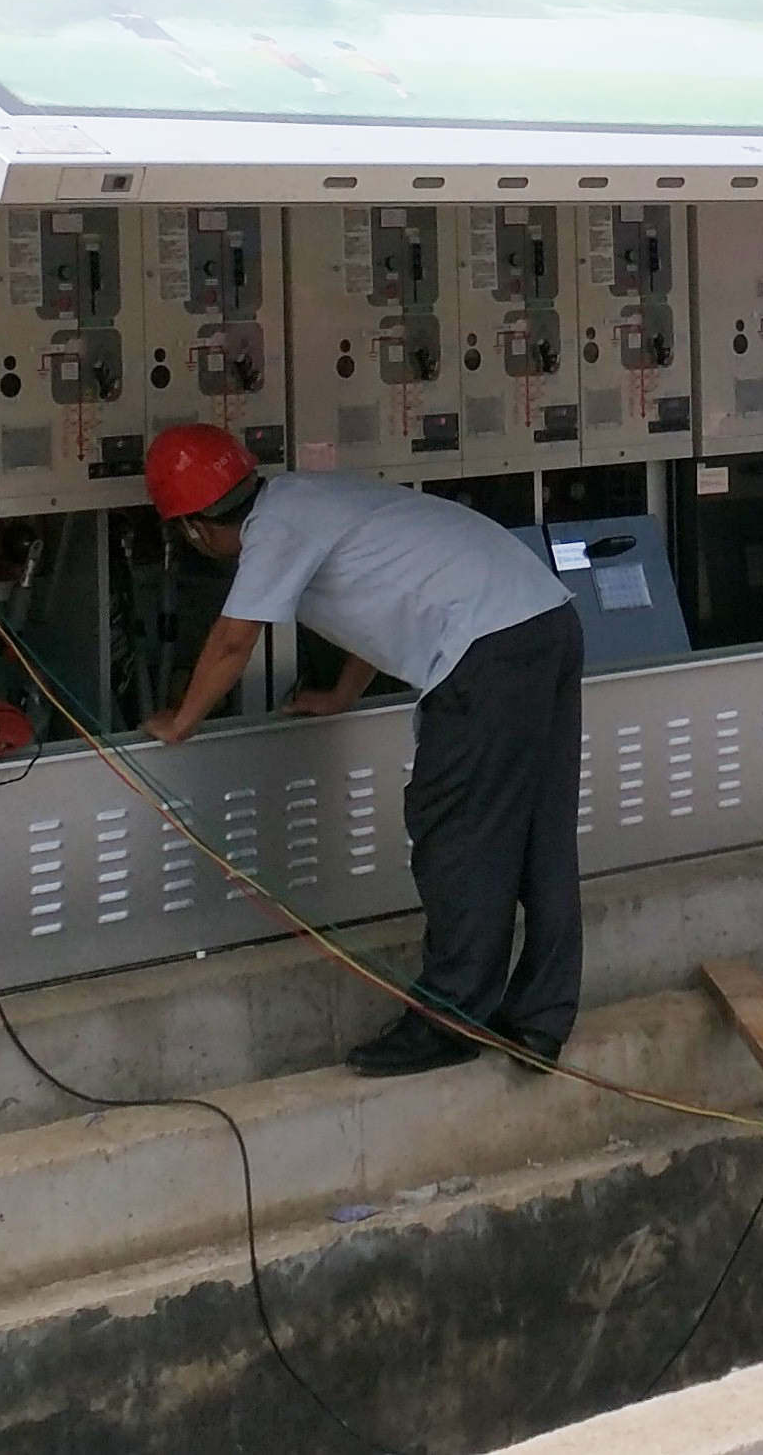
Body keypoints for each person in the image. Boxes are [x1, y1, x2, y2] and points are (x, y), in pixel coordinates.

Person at [137, 424, 586, 1077]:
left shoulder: (274, 529)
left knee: (455, 834)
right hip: (545, 619)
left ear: (195, 530)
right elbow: (377, 603)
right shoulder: (308, 498)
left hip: (487, 651)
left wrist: (180, 722)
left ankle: (448, 1021)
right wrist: (342, 694)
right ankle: (541, 1022)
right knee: (542, 834)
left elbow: (234, 639)